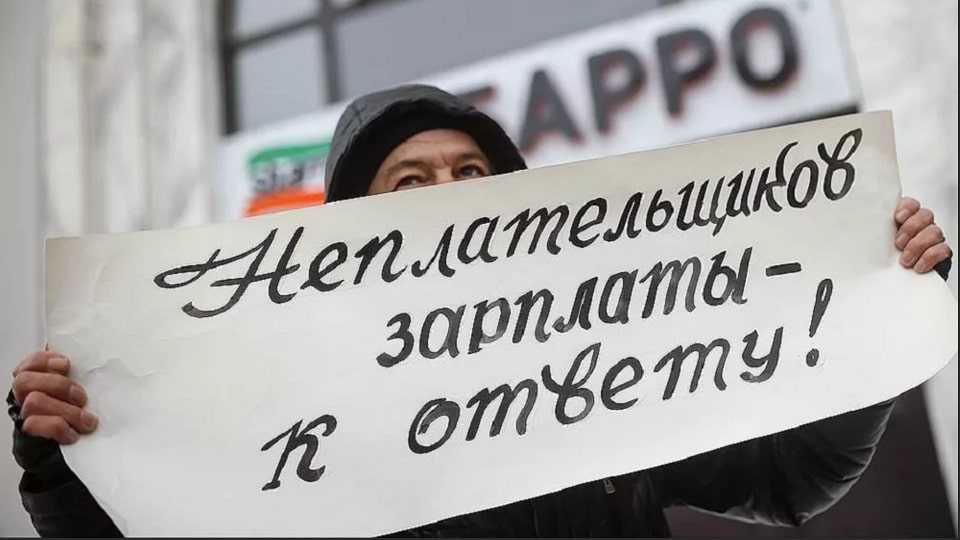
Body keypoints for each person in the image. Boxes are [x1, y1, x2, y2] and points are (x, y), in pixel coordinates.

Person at [8, 84, 954, 537]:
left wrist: (881, 302)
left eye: (471, 172)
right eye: (408, 180)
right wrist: (66, 462)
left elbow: (793, 476)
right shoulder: (290, 413)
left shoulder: (615, 364)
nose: (449, 193)